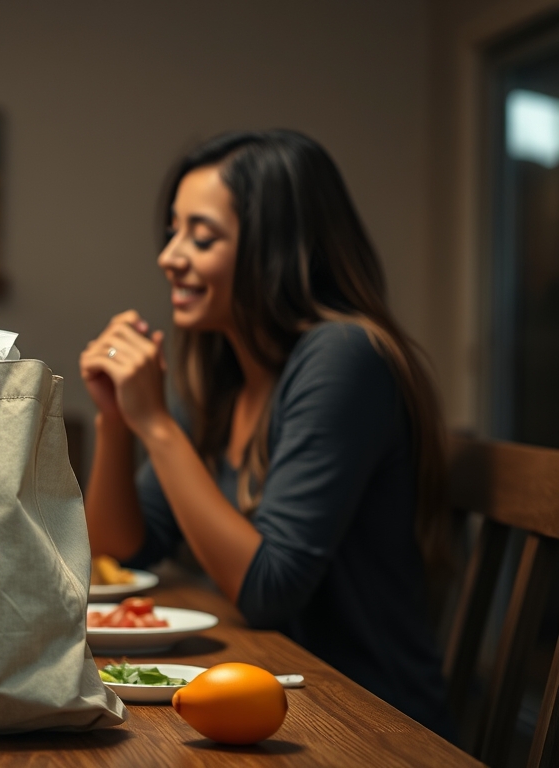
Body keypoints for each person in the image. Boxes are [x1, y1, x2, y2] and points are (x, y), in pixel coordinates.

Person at [79, 130, 454, 736]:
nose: (169, 255)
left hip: (368, 721)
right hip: (279, 700)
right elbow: (118, 550)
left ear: (277, 250)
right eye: (173, 231)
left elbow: (267, 588)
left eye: (202, 237)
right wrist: (117, 421)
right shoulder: (226, 377)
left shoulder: (344, 356)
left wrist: (155, 422)